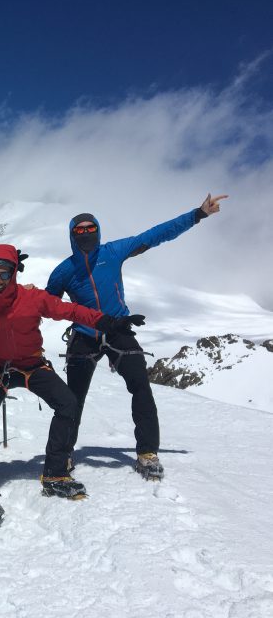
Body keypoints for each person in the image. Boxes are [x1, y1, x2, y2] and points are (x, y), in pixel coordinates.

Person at [0, 245, 142, 499]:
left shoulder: (32, 298)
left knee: (68, 404)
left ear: (13, 272)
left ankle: (55, 472)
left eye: (4, 274)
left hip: (33, 365)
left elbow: (70, 310)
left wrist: (108, 322)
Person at [46, 194, 227, 480]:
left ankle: (147, 452)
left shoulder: (113, 252)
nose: (85, 234)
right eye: (79, 230)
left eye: (90, 228)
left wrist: (198, 214)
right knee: (73, 399)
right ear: (71, 235)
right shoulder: (63, 271)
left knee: (140, 386)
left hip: (119, 329)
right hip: (84, 335)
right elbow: (49, 305)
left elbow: (154, 235)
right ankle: (65, 451)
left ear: (98, 230)